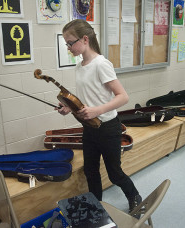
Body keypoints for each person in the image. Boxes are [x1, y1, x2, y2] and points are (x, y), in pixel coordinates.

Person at [57, 19, 142, 216]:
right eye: (66, 44)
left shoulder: (101, 64)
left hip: (108, 128)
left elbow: (123, 97)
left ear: (85, 39)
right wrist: (69, 108)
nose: (68, 47)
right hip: (89, 129)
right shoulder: (79, 66)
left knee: (114, 173)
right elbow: (86, 100)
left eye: (70, 43)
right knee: (91, 171)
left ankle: (135, 197)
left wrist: (97, 110)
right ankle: (96, 205)